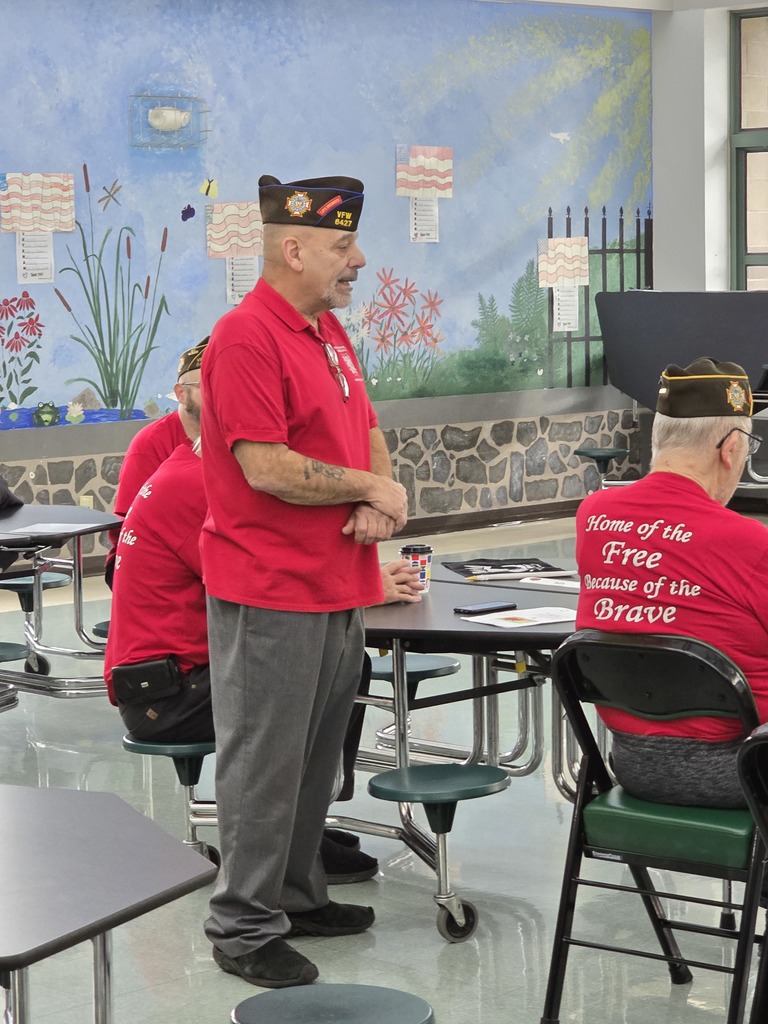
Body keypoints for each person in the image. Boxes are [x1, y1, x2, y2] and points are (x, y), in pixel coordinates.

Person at [200, 172, 408, 989]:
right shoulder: (246, 336)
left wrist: (380, 503)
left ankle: (293, 892)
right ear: (293, 248)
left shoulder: (325, 331)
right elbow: (267, 467)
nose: (357, 259)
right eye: (340, 246)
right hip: (269, 591)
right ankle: (242, 925)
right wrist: (365, 491)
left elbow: (366, 429)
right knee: (263, 763)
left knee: (314, 760)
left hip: (337, 584)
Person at [103, 439, 420, 875]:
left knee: (335, 658)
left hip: (175, 676)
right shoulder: (201, 486)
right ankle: (296, 841)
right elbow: (260, 588)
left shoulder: (193, 467)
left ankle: (304, 826)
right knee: (321, 664)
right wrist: (361, 588)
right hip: (168, 695)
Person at [575, 356, 768, 808]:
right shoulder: (747, 540)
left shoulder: (593, 517)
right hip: (750, 768)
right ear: (731, 449)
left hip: (632, 765)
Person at [103, 337, 208, 587]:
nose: (223, 394)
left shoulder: (235, 434)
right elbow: (126, 524)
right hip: (152, 561)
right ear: (181, 393)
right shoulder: (150, 444)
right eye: (210, 385)